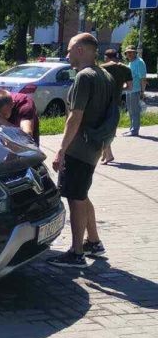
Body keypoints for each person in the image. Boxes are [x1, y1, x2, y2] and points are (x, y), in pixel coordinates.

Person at [50, 32, 114, 268]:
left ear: (80, 50)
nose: (66, 55)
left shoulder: (84, 77)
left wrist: (61, 149)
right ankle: (94, 242)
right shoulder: (105, 75)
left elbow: (74, 118)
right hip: (94, 147)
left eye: (69, 50)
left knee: (75, 198)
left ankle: (76, 253)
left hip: (79, 149)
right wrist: (106, 146)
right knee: (82, 193)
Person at [100, 48, 132, 163]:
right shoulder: (126, 69)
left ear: (106, 57)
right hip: (117, 102)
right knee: (110, 128)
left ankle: (108, 155)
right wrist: (118, 88)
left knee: (103, 128)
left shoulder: (103, 67)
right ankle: (105, 153)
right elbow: (129, 87)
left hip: (103, 102)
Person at [123, 46, 147, 137]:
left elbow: (143, 78)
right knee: (130, 110)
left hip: (136, 90)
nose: (129, 54)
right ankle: (132, 128)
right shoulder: (130, 63)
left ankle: (135, 130)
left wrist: (142, 92)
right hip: (129, 90)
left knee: (135, 110)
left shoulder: (139, 62)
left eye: (131, 52)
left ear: (135, 53)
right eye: (127, 52)